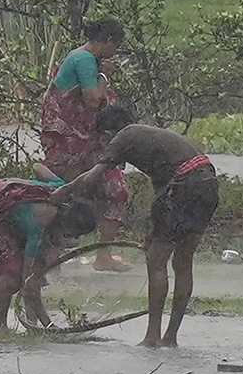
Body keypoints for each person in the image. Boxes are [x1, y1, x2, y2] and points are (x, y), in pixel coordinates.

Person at [54, 106, 218, 348]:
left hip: (185, 185)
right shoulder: (151, 138)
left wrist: (63, 191)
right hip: (207, 183)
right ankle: (170, 338)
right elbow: (163, 193)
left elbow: (92, 177)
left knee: (156, 261)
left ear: (108, 134)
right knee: (183, 262)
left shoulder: (123, 137)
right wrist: (153, 230)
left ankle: (152, 336)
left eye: (103, 140)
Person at [39, 18, 130, 271]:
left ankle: (102, 255)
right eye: (115, 46)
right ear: (109, 42)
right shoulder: (84, 60)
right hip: (70, 145)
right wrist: (105, 75)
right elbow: (92, 100)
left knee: (114, 190)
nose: (114, 53)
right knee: (63, 191)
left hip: (88, 145)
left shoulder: (85, 59)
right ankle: (51, 254)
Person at [0, 176, 97, 331]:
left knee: (33, 271)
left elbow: (38, 167)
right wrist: (49, 325)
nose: (73, 237)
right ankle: (1, 328)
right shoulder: (40, 227)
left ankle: (31, 324)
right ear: (66, 223)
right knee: (13, 273)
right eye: (75, 233)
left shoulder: (60, 192)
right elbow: (29, 284)